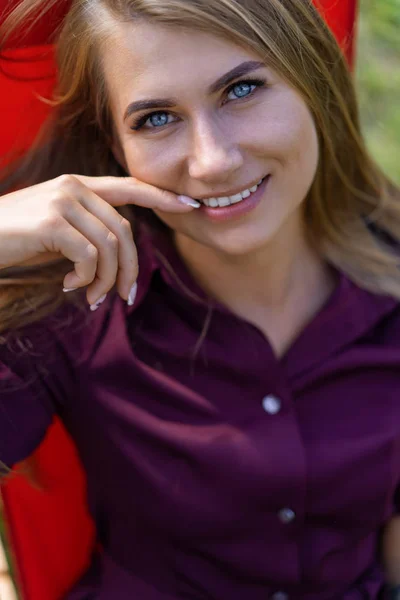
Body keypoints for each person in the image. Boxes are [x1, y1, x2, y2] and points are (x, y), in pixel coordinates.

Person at [0, 0, 400, 598]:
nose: (214, 161)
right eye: (156, 119)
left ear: (314, 81)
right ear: (115, 147)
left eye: (241, 89)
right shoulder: (77, 304)